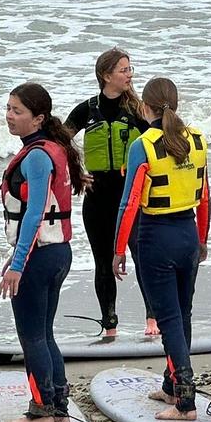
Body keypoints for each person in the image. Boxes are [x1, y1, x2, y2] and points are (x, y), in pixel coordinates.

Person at [112, 77, 210, 421]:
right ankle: (171, 386)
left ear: (145, 107)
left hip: (156, 238)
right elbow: (205, 196)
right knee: (183, 314)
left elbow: (129, 203)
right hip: (188, 233)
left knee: (168, 319)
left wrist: (119, 249)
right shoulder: (197, 139)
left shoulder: (143, 145)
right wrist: (202, 238)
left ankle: (185, 401)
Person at [0, 82, 85, 422]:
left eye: (17, 111)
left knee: (32, 337)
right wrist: (17, 258)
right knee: (45, 335)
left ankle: (41, 412)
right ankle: (59, 408)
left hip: (39, 257)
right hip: (57, 253)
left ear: (38, 118)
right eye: (8, 108)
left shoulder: (36, 156)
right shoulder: (54, 148)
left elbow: (35, 215)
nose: (9, 116)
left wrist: (18, 264)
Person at [66, 48, 156, 336]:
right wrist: (75, 174)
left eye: (130, 69)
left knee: (141, 257)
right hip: (97, 200)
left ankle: (152, 318)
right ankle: (109, 324)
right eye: (123, 70)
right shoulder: (86, 110)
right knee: (103, 262)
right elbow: (59, 144)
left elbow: (160, 142)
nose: (130, 75)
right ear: (106, 76)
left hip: (131, 199)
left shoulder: (138, 111)